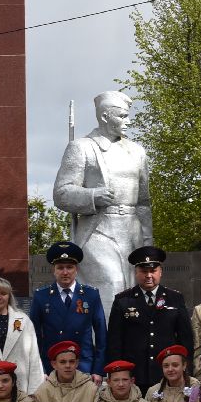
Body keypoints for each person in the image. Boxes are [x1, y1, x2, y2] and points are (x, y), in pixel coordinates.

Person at [53, 90, 154, 306]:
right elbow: (61, 193)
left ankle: (128, 340)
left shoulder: (137, 152)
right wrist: (91, 195)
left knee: (133, 290)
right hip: (99, 230)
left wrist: (147, 238)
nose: (128, 121)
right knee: (111, 284)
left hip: (132, 230)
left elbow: (144, 202)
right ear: (105, 116)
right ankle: (103, 340)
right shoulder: (82, 147)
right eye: (122, 116)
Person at [105, 246, 193, 393]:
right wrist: (117, 372)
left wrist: (187, 370)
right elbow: (115, 341)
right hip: (134, 375)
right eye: (144, 271)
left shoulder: (175, 298)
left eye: (153, 271)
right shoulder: (123, 300)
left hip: (167, 374)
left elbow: (186, 339)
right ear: (136, 272)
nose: (148, 275)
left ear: (160, 272)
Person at [28, 241, 108, 379]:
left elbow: (101, 335)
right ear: (54, 270)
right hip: (52, 365)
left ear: (76, 269)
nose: (65, 272)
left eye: (69, 267)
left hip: (83, 365)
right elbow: (33, 336)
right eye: (60, 267)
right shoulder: (41, 296)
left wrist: (98, 370)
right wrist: (39, 369)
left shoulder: (91, 295)